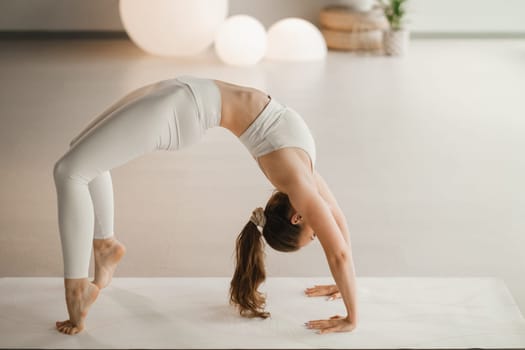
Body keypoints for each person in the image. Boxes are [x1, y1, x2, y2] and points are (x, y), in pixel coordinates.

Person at [53, 75, 358, 335]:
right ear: (298, 218)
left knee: (70, 171)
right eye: (314, 235)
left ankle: (78, 289)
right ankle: (106, 246)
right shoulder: (303, 180)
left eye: (315, 233)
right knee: (81, 157)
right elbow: (339, 244)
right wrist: (351, 316)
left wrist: (345, 300)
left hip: (181, 109)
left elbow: (338, 248)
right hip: (183, 92)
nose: (321, 229)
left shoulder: (299, 180)